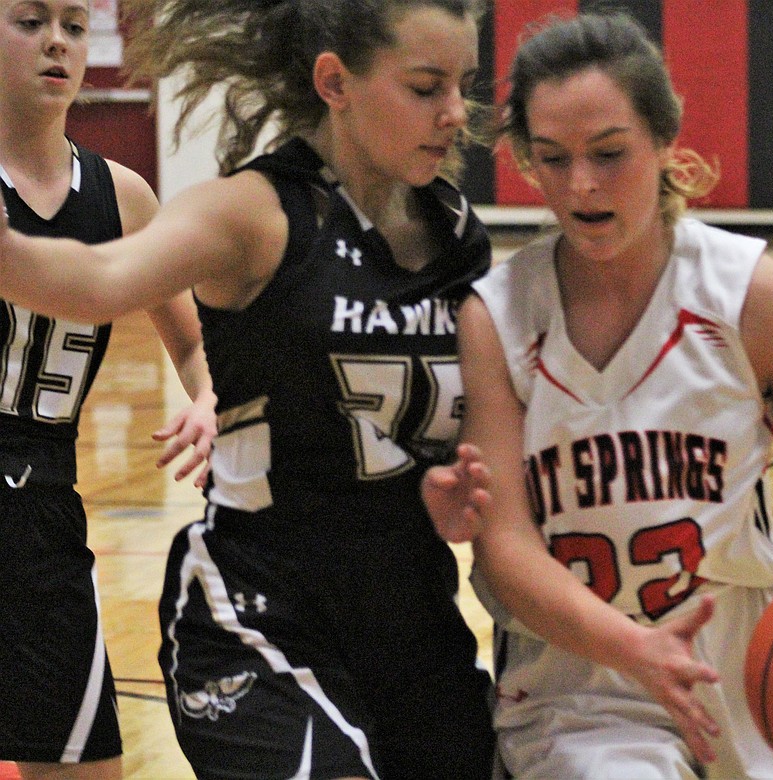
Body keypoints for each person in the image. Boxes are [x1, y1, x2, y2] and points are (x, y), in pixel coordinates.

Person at [423, 12, 773, 779]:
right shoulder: (498, 315)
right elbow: (507, 546)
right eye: (553, 159)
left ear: (664, 142)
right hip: (582, 694)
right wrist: (637, 649)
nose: (582, 185)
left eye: (609, 153)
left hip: (755, 684)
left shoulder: (751, 297)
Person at [0, 0, 497, 777]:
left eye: (463, 84)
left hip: (411, 607)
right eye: (427, 86)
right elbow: (100, 278)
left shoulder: (456, 234)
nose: (456, 113)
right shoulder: (254, 213)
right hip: (263, 607)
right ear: (336, 82)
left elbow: (491, 426)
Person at [0, 1, 216, 778]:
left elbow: (194, 343)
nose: (56, 40)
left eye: (73, 24)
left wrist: (206, 398)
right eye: (29, 21)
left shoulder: (121, 195)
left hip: (45, 509)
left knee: (90, 768)